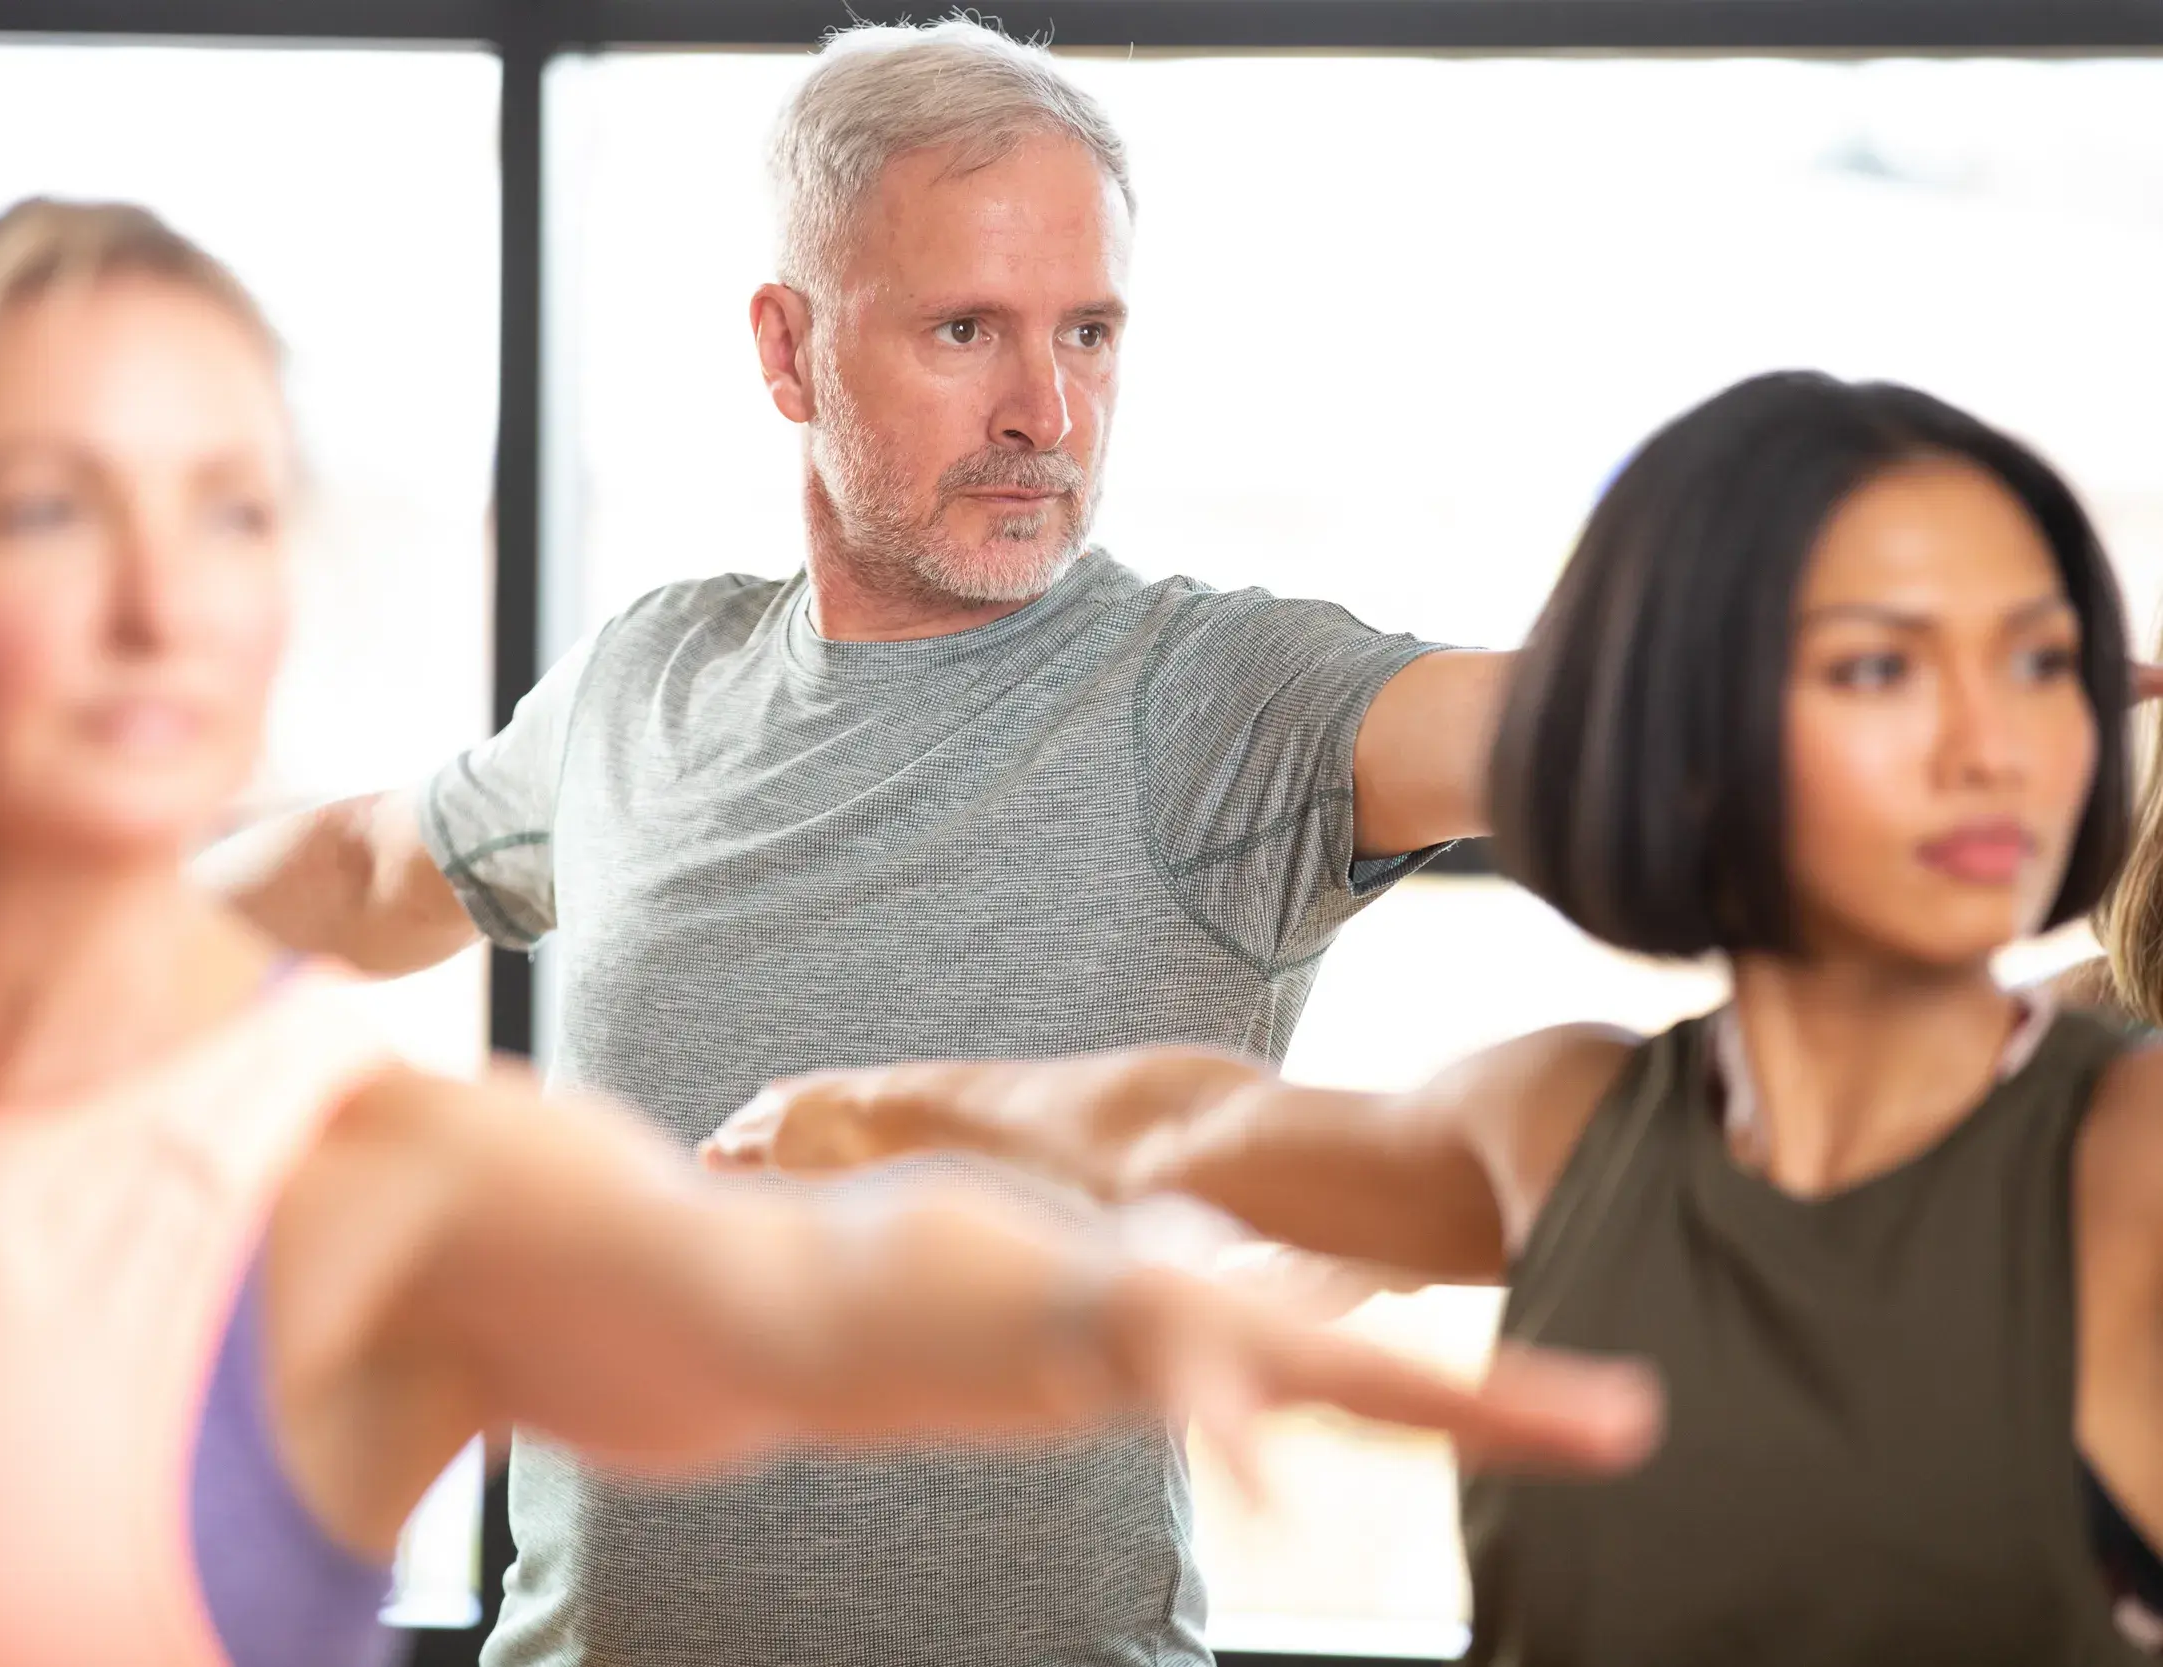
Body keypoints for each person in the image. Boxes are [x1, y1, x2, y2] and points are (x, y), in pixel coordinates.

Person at [0, 199, 1661, 1667]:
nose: (160, 602)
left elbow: (777, 1282)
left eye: (233, 512)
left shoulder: (374, 1177)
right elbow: (369, 859)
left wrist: (1105, 1311)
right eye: (43, 508)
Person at [219, 23, 1508, 1666]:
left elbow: (1567, 737)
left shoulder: (1216, 704)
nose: (1045, 410)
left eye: (1090, 333)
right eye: (966, 328)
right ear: (789, 347)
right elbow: (351, 873)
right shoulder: (649, 680)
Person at [707, 369, 2163, 1664]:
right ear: (1682, 734)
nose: (1992, 744)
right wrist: (873, 1110)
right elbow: (1187, 1120)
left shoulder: (2127, 1155)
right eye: (1881, 668)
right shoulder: (1566, 1118)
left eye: (2040, 661)